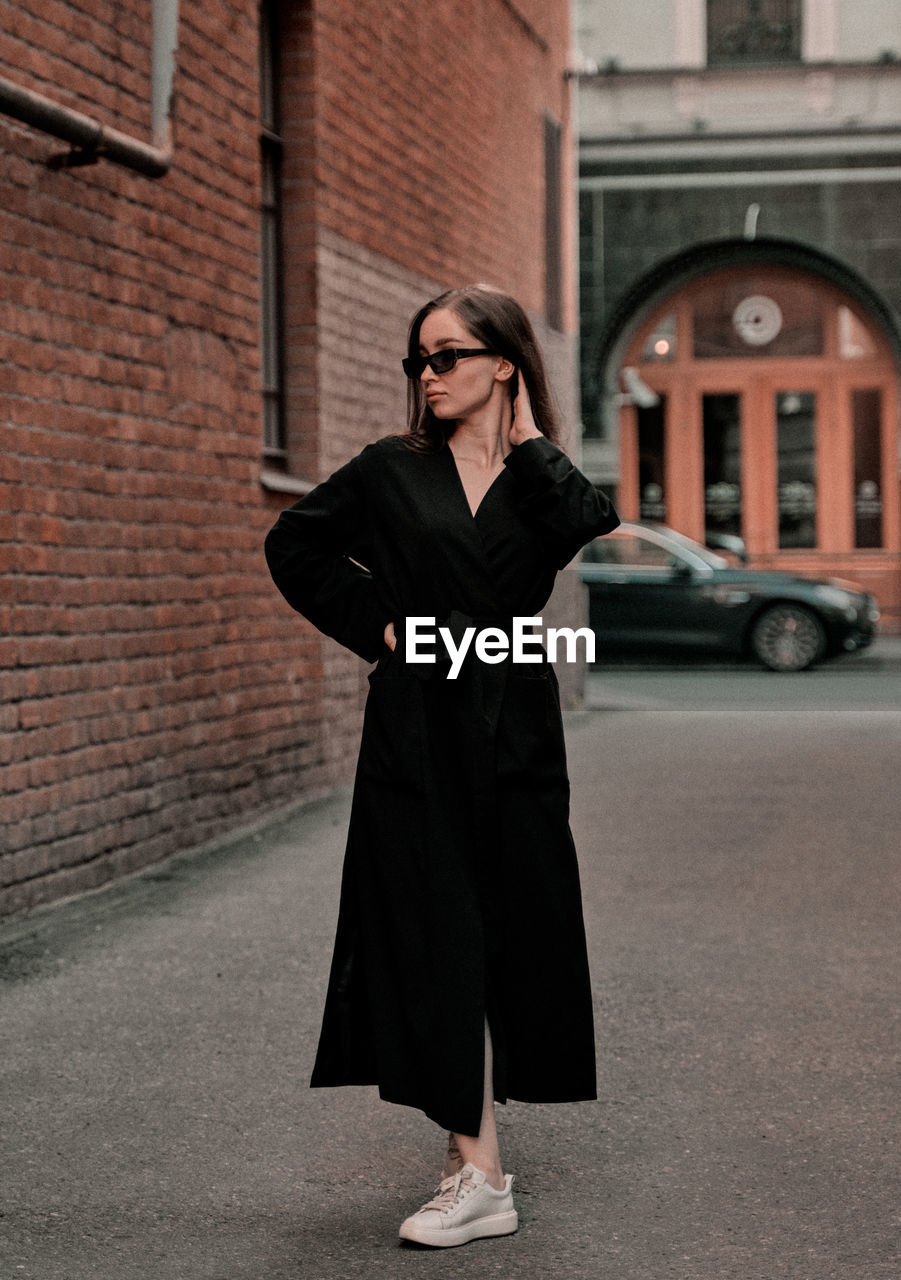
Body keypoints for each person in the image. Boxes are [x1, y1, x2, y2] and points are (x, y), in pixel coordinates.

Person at [264, 284, 619, 1248]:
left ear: (504, 362)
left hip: (515, 731)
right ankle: (483, 1172)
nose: (428, 374)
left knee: (508, 934)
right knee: (436, 931)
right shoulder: (390, 469)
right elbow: (294, 544)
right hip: (417, 727)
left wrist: (531, 434)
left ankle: (473, 1151)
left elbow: (589, 519)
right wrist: (380, 624)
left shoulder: (539, 481)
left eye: (450, 355)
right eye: (419, 359)